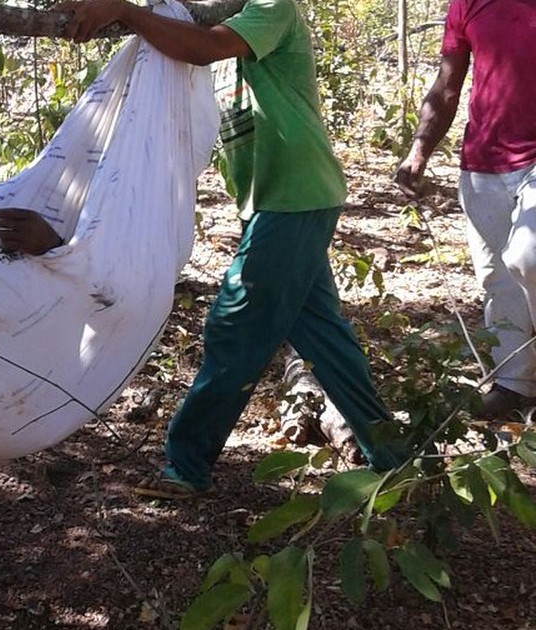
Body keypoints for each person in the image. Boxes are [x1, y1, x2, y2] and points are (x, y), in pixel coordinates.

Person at [58, 0, 404, 495]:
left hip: (293, 197)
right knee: (324, 337)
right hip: (281, 201)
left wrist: (124, 11)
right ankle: (395, 454)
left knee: (234, 325)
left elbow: (201, 49)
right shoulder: (221, 18)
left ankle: (187, 463)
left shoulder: (271, 7)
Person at [394, 0, 536, 420]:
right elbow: (446, 86)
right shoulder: (467, 5)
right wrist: (419, 151)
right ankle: (515, 385)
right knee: (496, 278)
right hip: (483, 162)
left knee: (529, 258)